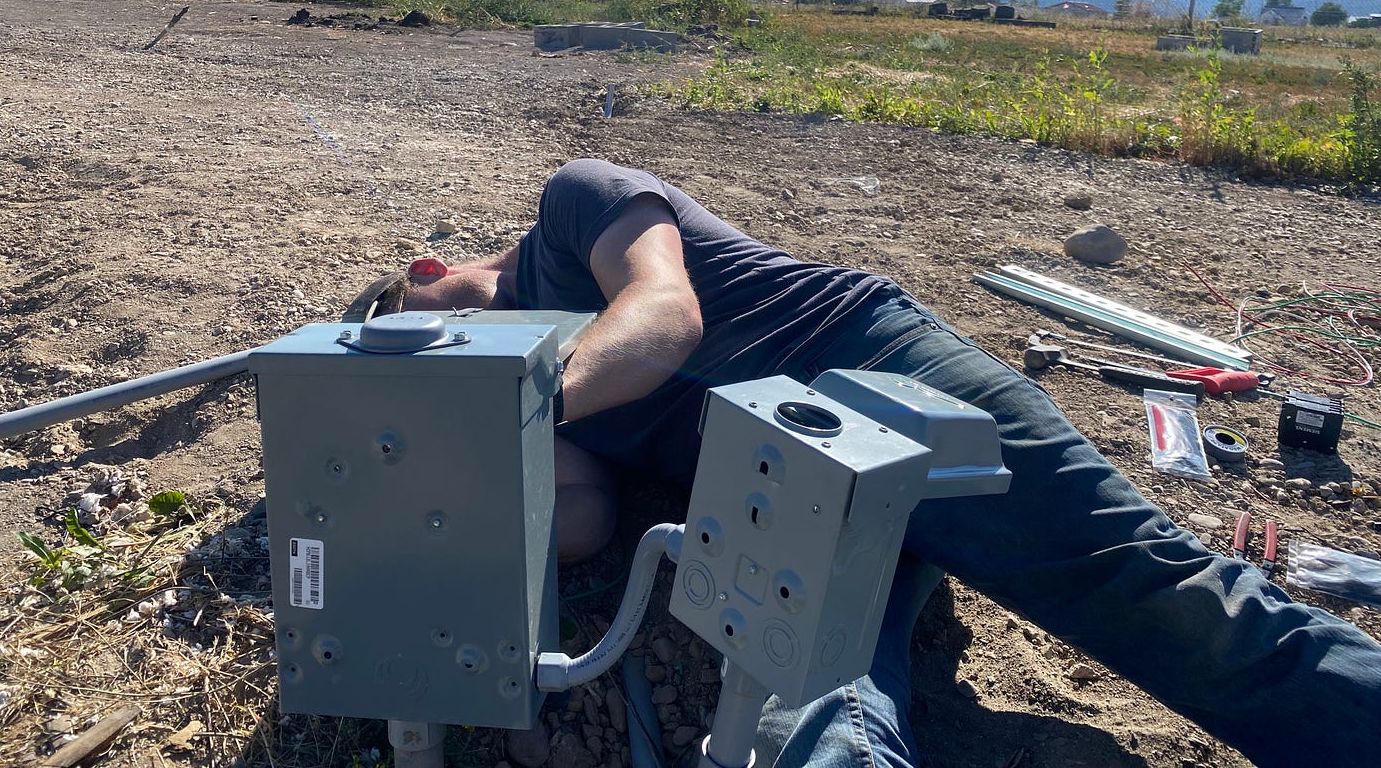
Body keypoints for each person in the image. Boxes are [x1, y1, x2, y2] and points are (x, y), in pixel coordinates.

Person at [350, 157, 1381, 768]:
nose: (432, 362)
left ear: (426, 274)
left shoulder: (573, 209)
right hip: (790, 485)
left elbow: (665, 315)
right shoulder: (538, 393)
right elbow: (580, 523)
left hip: (890, 379)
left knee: (1153, 592)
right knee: (817, 702)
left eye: (406, 329)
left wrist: (520, 408)